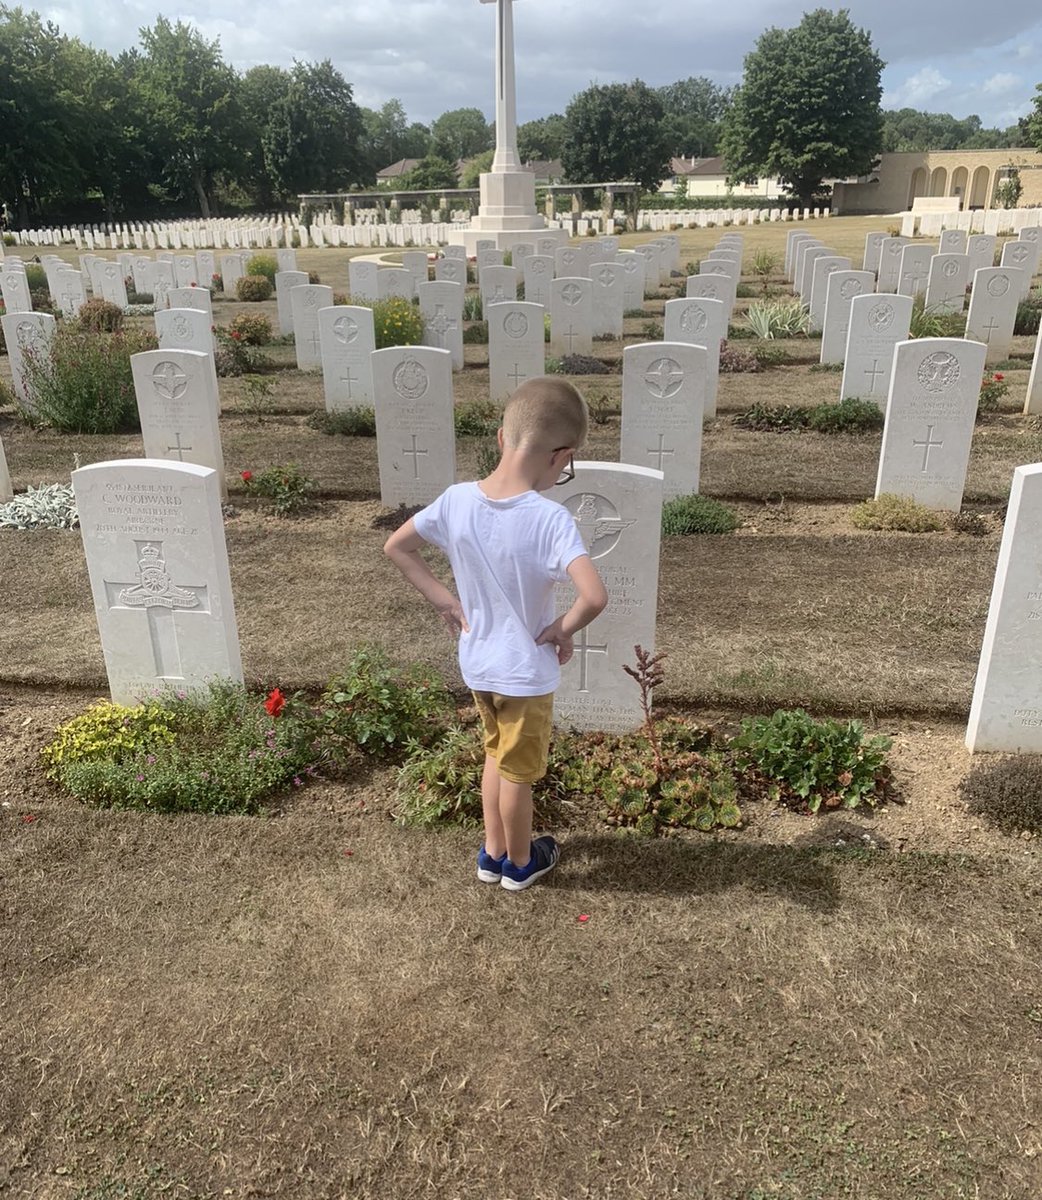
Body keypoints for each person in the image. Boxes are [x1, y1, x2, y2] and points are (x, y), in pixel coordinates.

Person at [384, 377, 608, 891]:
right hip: (524, 673)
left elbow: (398, 546)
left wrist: (444, 601)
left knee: (495, 753)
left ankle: (493, 853)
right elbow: (594, 596)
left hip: (479, 663)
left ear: (503, 437)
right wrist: (561, 629)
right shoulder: (550, 519)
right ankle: (522, 863)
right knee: (518, 773)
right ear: (562, 456)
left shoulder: (456, 500)